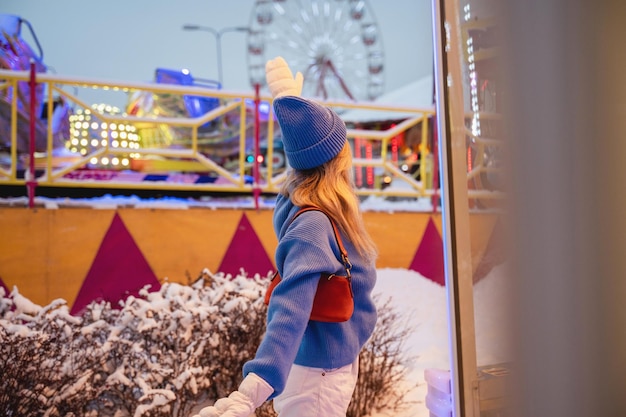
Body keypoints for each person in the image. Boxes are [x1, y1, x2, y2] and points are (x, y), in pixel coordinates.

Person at [193, 57, 378, 417]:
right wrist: (253, 389)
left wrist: (293, 108)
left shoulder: (323, 211)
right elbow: (290, 309)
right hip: (316, 381)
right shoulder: (314, 225)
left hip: (328, 368)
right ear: (336, 160)